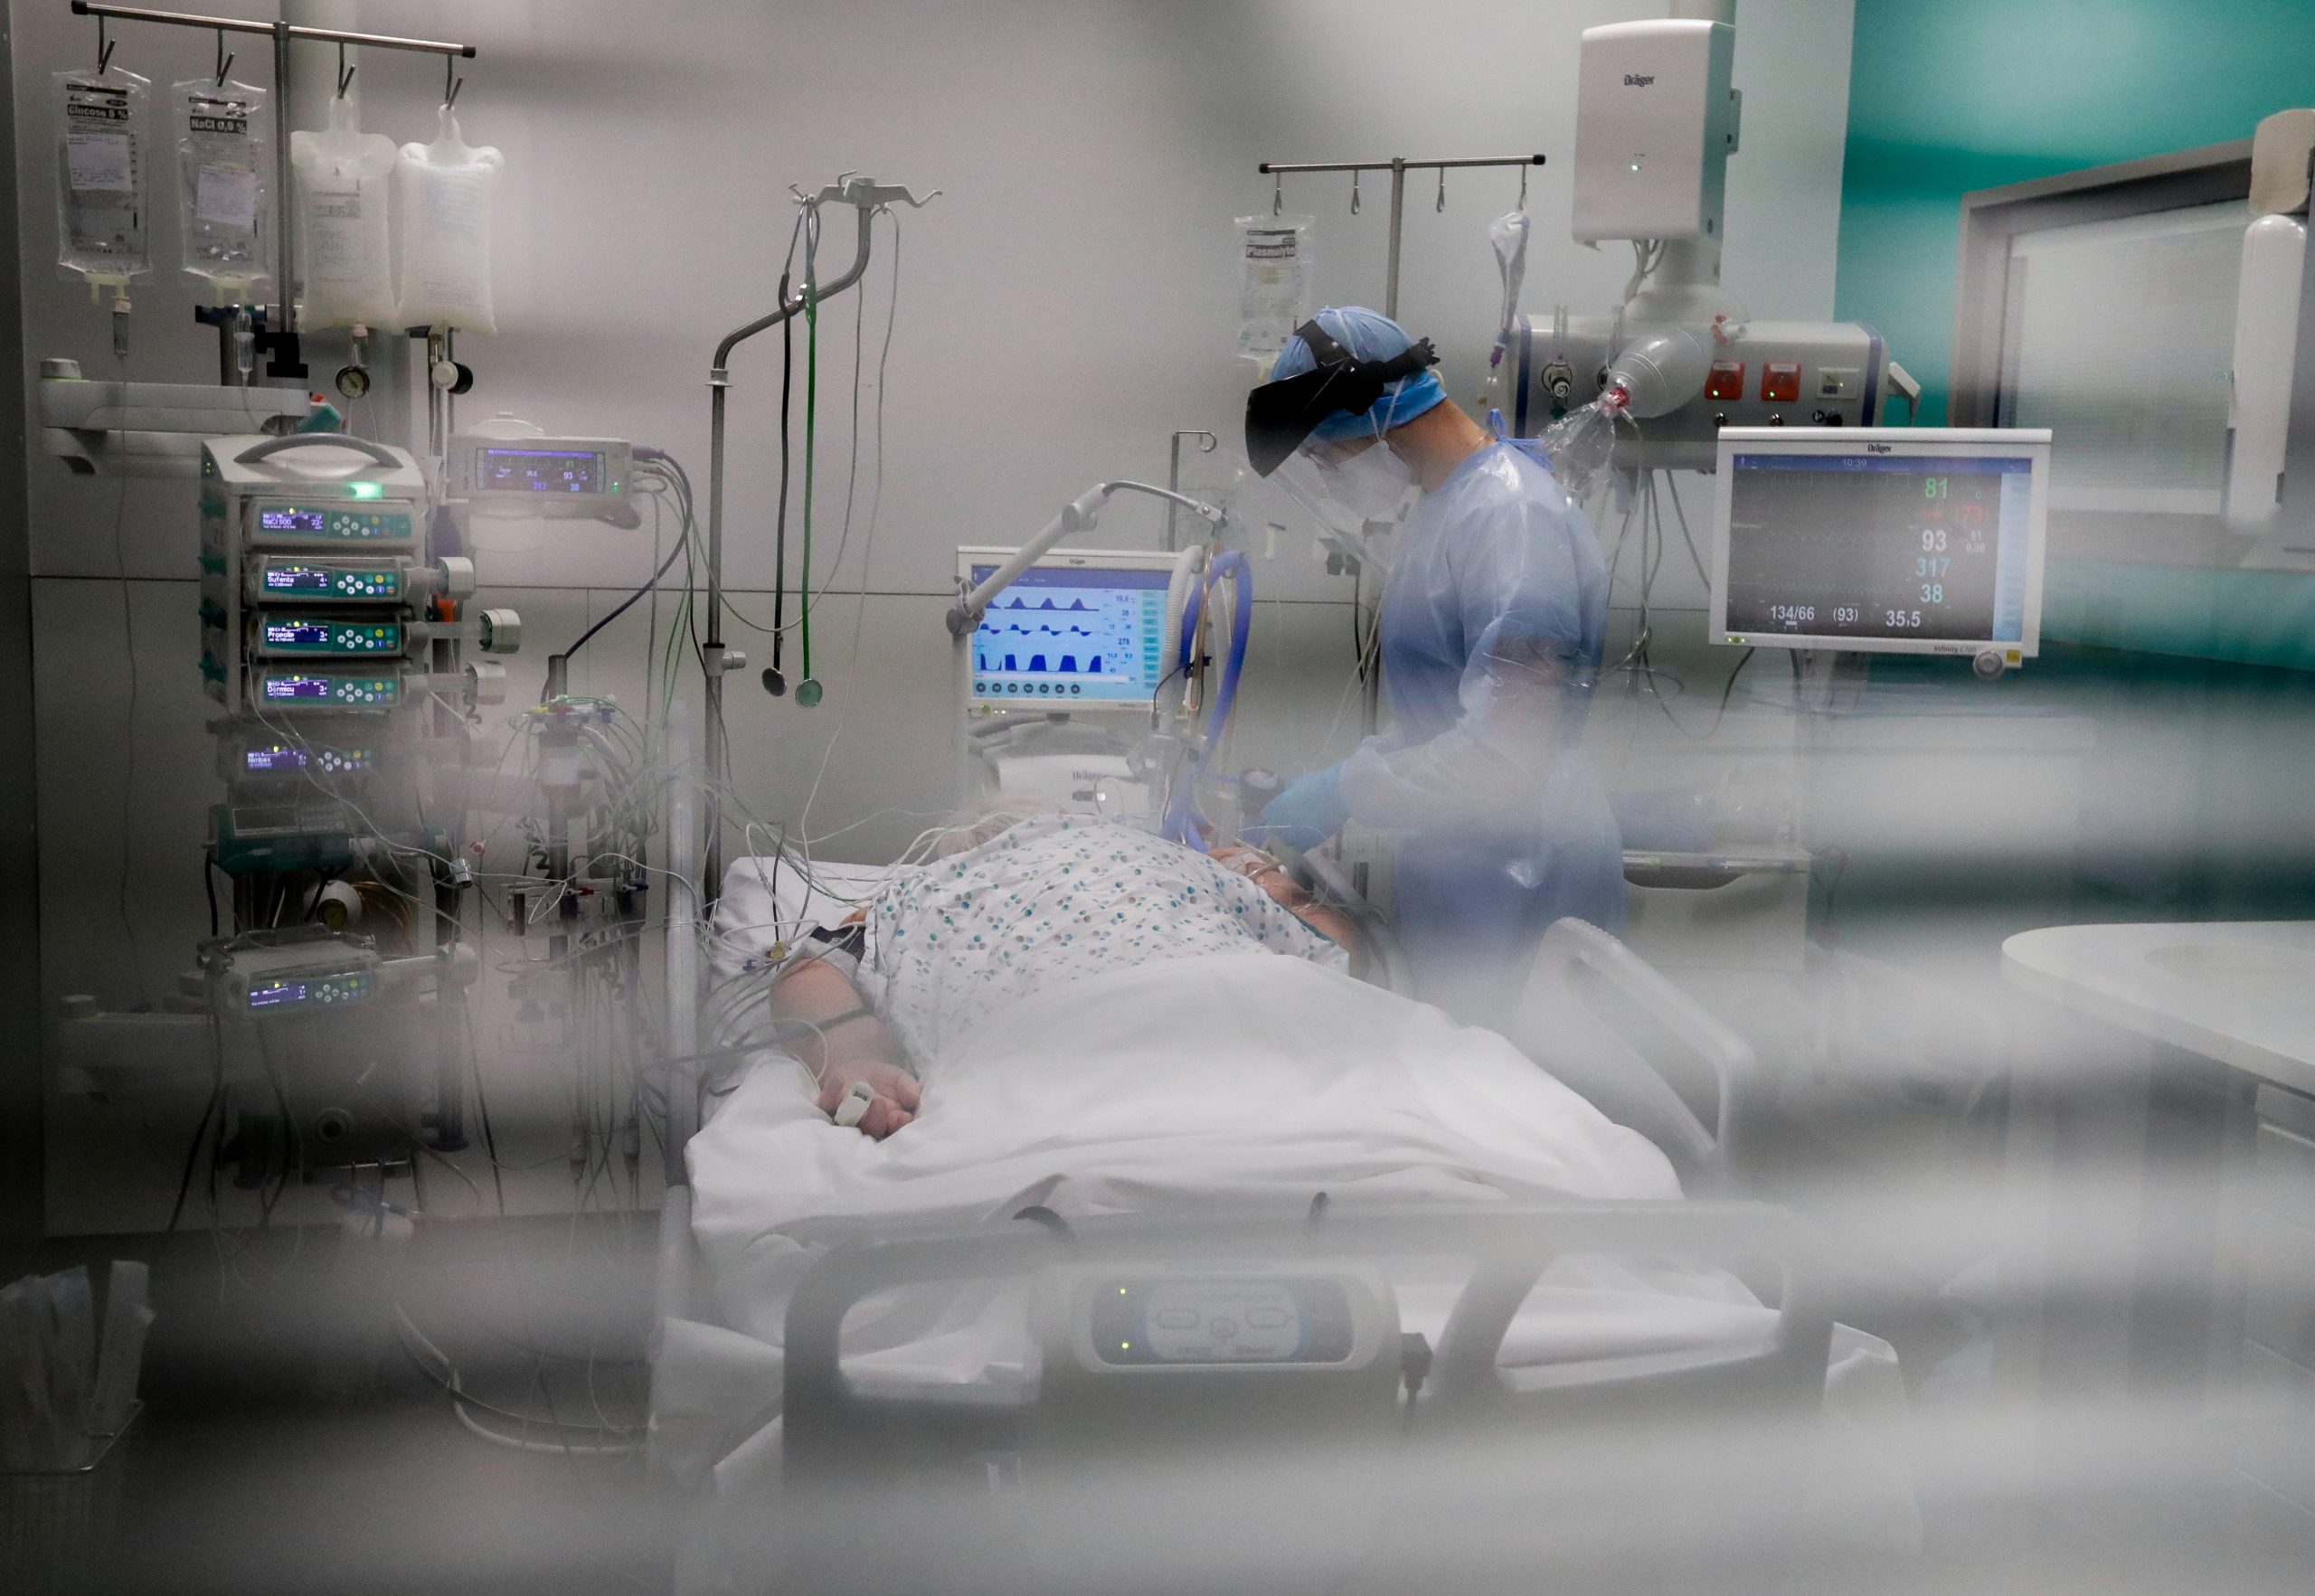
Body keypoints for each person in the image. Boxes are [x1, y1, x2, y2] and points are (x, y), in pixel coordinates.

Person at [1242, 307, 1621, 1024]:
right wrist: (1355, 774)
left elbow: (1509, 747)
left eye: (1323, 455)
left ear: (1373, 415)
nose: (1325, 472)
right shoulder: (1449, 507)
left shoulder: (1510, 518)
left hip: (1526, 873)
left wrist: (1351, 788)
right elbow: (1449, 713)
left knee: (1516, 1080)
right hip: (1469, 859)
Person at [767, 812, 1362, 1139]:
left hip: (1060, 1054)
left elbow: (813, 969)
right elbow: (1332, 951)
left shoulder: (924, 888)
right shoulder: (934, 885)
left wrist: (856, 1058)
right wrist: (1261, 876)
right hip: (1223, 1021)